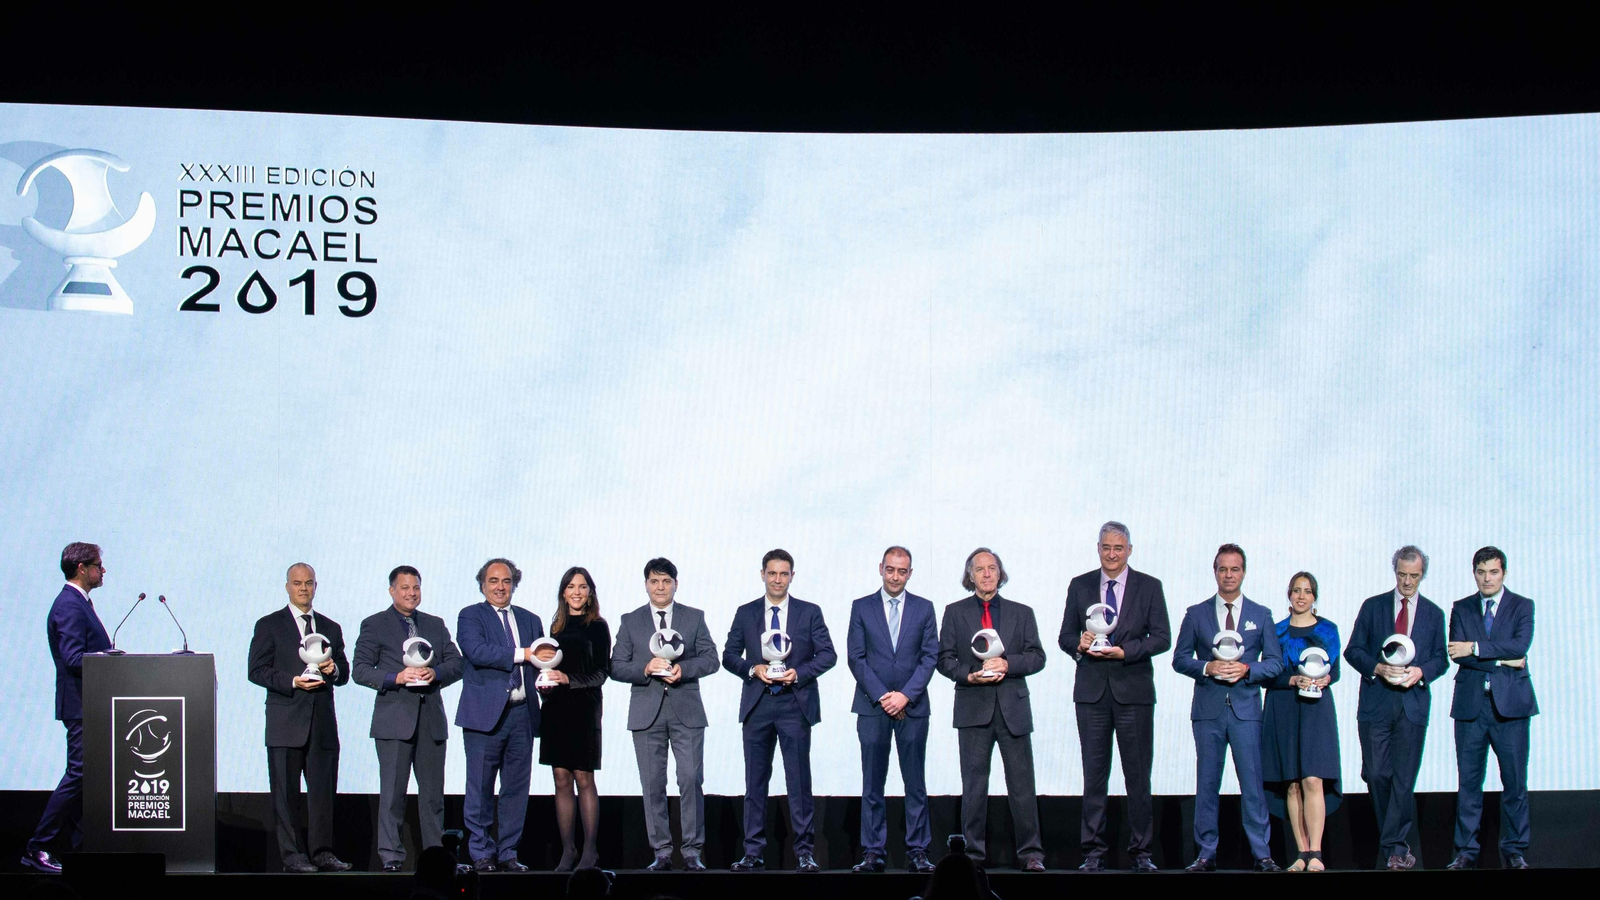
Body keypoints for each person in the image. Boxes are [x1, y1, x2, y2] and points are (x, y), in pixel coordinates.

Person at [1057, 521, 1170, 871]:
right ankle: (1093, 853)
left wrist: (1127, 651)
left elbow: (1162, 637)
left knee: (1138, 775)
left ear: (1130, 550)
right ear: (1098, 548)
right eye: (1106, 547)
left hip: (1133, 691)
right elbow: (1064, 636)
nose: (1111, 554)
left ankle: (1142, 853)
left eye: (1118, 548)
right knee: (1094, 775)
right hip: (1091, 694)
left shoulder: (1149, 586)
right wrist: (1079, 644)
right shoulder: (1080, 585)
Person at [723, 548, 837, 872]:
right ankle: (753, 852)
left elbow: (828, 655)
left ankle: (804, 852)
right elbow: (729, 655)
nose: (777, 579)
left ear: (792, 576)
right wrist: (752, 669)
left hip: (794, 703)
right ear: (762, 574)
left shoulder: (809, 612)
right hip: (758, 703)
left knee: (799, 783)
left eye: (783, 574)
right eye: (772, 573)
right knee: (755, 782)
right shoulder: (746, 613)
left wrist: (798, 672)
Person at [1171, 543, 1284, 872]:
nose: (1229, 575)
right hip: (1208, 711)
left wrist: (1249, 670)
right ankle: (1206, 853)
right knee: (1207, 783)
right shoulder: (1197, 613)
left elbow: (1275, 663)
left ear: (1244, 572)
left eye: (1235, 569)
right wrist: (1208, 667)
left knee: (1252, 783)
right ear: (1215, 571)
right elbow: (1180, 659)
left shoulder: (1261, 615)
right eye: (1223, 569)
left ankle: (1262, 854)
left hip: (1246, 710)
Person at [936, 547, 1048, 871]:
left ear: (1000, 573)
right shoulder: (954, 612)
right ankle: (973, 857)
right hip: (973, 707)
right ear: (970, 575)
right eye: (980, 569)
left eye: (992, 568)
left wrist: (1008, 663)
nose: (987, 574)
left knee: (1023, 786)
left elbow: (1037, 657)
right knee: (973, 787)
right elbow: (944, 660)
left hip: (1013, 708)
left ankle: (1031, 854)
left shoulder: (1022, 612)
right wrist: (968, 675)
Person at [609, 557, 719, 871]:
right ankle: (661, 852)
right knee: (652, 783)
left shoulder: (693, 617)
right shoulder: (630, 621)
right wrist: (644, 668)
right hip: (647, 711)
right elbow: (616, 666)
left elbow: (711, 659)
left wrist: (684, 669)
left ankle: (692, 851)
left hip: (686, 709)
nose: (660, 587)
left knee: (690, 779)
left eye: (666, 581)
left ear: (675, 584)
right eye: (655, 581)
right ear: (646, 584)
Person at [352, 565, 464, 872]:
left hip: (430, 721)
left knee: (432, 799)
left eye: (416, 587)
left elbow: (457, 663)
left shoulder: (435, 624)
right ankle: (391, 858)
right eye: (404, 588)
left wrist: (436, 672)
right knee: (392, 796)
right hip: (394, 720)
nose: (411, 593)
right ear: (391, 591)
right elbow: (359, 670)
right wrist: (396, 677)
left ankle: (436, 860)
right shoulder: (374, 625)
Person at [1344, 545, 1448, 870]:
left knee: (1404, 779)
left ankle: (1393, 849)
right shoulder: (1373, 607)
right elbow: (1353, 650)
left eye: (1413, 576)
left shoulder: (1433, 613)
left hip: (1412, 705)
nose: (1407, 582)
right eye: (1402, 574)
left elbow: (1440, 659)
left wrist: (1421, 672)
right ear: (1395, 572)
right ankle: (1396, 845)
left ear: (1422, 575)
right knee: (1376, 773)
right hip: (1376, 704)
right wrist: (1377, 667)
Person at [246, 562, 353, 872]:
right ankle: (293, 856)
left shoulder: (330, 627)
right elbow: (256, 670)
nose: (303, 588)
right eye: (297, 583)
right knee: (286, 795)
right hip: (285, 723)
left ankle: (322, 853)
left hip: (321, 726)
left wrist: (335, 670)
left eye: (308, 583)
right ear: (287, 587)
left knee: (322, 795)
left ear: (315, 586)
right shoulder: (269, 625)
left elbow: (344, 673)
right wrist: (293, 681)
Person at [846, 546, 940, 873]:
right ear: (881, 569)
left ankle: (918, 851)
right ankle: (873, 851)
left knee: (915, 783)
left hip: (913, 708)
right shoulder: (861, 607)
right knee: (873, 783)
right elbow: (855, 658)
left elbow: (930, 657)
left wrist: (905, 696)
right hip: (873, 708)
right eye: (890, 570)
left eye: (902, 571)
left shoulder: (924, 608)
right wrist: (885, 696)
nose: (896, 576)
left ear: (910, 573)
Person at [21, 542, 112, 874]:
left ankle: (81, 847)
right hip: (81, 704)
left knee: (88, 776)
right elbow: (74, 658)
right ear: (81, 569)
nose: (103, 571)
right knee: (80, 773)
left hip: (90, 703)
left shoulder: (79, 603)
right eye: (99, 565)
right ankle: (38, 846)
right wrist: (108, 659)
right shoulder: (70, 605)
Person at [1445, 546, 1536, 870]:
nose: (1487, 578)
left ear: (1504, 573)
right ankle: (1466, 851)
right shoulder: (1461, 607)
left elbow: (1520, 646)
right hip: (1471, 707)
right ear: (1474, 573)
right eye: (1481, 572)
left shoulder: (1522, 606)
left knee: (1514, 781)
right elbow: (1457, 653)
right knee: (1469, 782)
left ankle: (1514, 849)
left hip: (1510, 707)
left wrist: (1478, 648)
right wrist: (1502, 659)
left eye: (1493, 572)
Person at [454, 558, 542, 872]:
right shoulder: (471, 616)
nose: (500, 587)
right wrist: (524, 654)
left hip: (522, 714)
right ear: (483, 585)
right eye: (493, 581)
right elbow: (477, 651)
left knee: (516, 790)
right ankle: (480, 853)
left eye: (506, 581)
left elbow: (541, 664)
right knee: (479, 788)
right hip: (483, 716)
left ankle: (508, 853)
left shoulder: (531, 620)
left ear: (514, 584)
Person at [1261, 571, 1342, 872]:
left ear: (1314, 596)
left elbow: (1338, 671)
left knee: (1313, 778)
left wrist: (1327, 677)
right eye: (1296, 590)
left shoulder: (1328, 630)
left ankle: (1317, 853)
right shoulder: (1276, 630)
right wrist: (1291, 678)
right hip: (1283, 705)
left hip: (1316, 708)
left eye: (1307, 591)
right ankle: (1301, 853)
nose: (1301, 596)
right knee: (1292, 783)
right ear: (1289, 595)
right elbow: (1268, 673)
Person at [538, 567, 612, 871]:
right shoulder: (553, 627)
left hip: (584, 706)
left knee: (584, 777)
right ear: (563, 592)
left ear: (590, 591)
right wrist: (545, 685)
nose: (577, 592)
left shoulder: (598, 626)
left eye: (582, 586)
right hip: (556, 708)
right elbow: (544, 668)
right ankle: (568, 850)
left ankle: (590, 851)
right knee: (560, 778)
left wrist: (568, 678)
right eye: (571, 586)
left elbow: (601, 673)